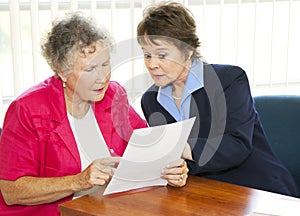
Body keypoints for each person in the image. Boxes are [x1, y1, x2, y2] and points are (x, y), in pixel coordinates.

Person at [0, 13, 189, 216]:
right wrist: (79, 180)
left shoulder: (114, 94)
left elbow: (147, 148)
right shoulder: (27, 109)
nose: (102, 78)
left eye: (105, 64)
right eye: (90, 69)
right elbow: (11, 191)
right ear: (62, 72)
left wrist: (171, 169)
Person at [136, 1, 298, 197]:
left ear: (187, 51)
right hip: (202, 194)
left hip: (257, 190)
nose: (152, 64)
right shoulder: (151, 100)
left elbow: (236, 145)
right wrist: (174, 170)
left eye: (162, 55)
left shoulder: (229, 80)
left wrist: (184, 148)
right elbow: (175, 162)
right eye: (147, 55)